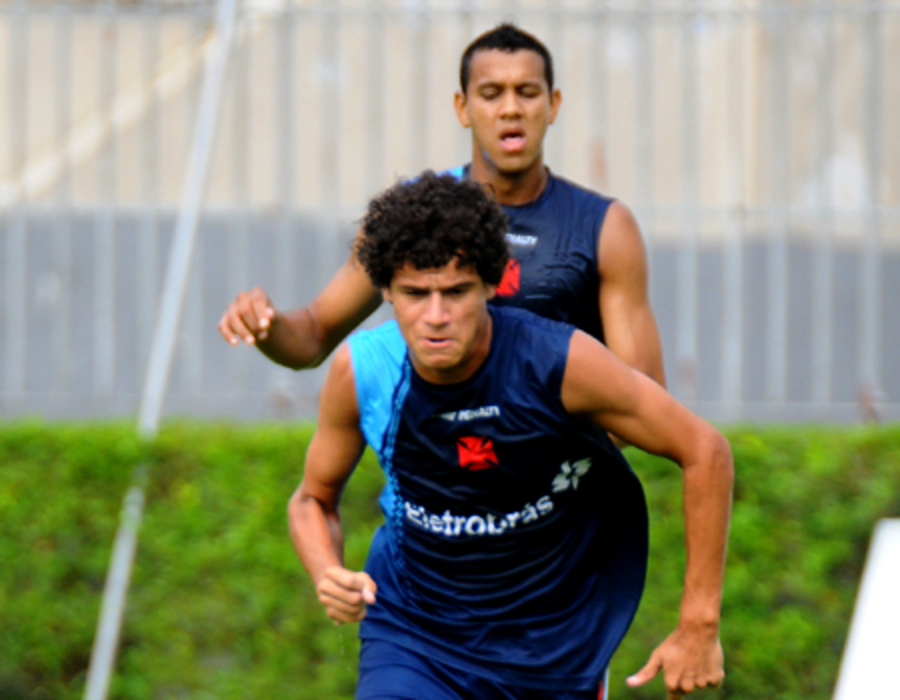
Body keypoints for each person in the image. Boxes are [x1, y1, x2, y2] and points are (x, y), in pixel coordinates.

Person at [288, 173, 732, 700]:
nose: (435, 317)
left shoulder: (560, 362)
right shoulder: (363, 371)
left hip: (553, 650)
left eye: (456, 292)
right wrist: (326, 569)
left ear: (492, 284)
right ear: (385, 290)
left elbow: (705, 449)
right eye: (414, 294)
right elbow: (312, 500)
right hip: (415, 636)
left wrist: (699, 623)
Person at [218, 23, 665, 395]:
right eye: (491, 93)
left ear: (553, 105)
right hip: (442, 488)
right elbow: (313, 336)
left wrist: (530, 447)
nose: (511, 108)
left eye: (527, 92)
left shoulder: (603, 226)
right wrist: (268, 326)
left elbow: (644, 397)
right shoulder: (409, 216)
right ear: (463, 107)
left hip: (563, 494)